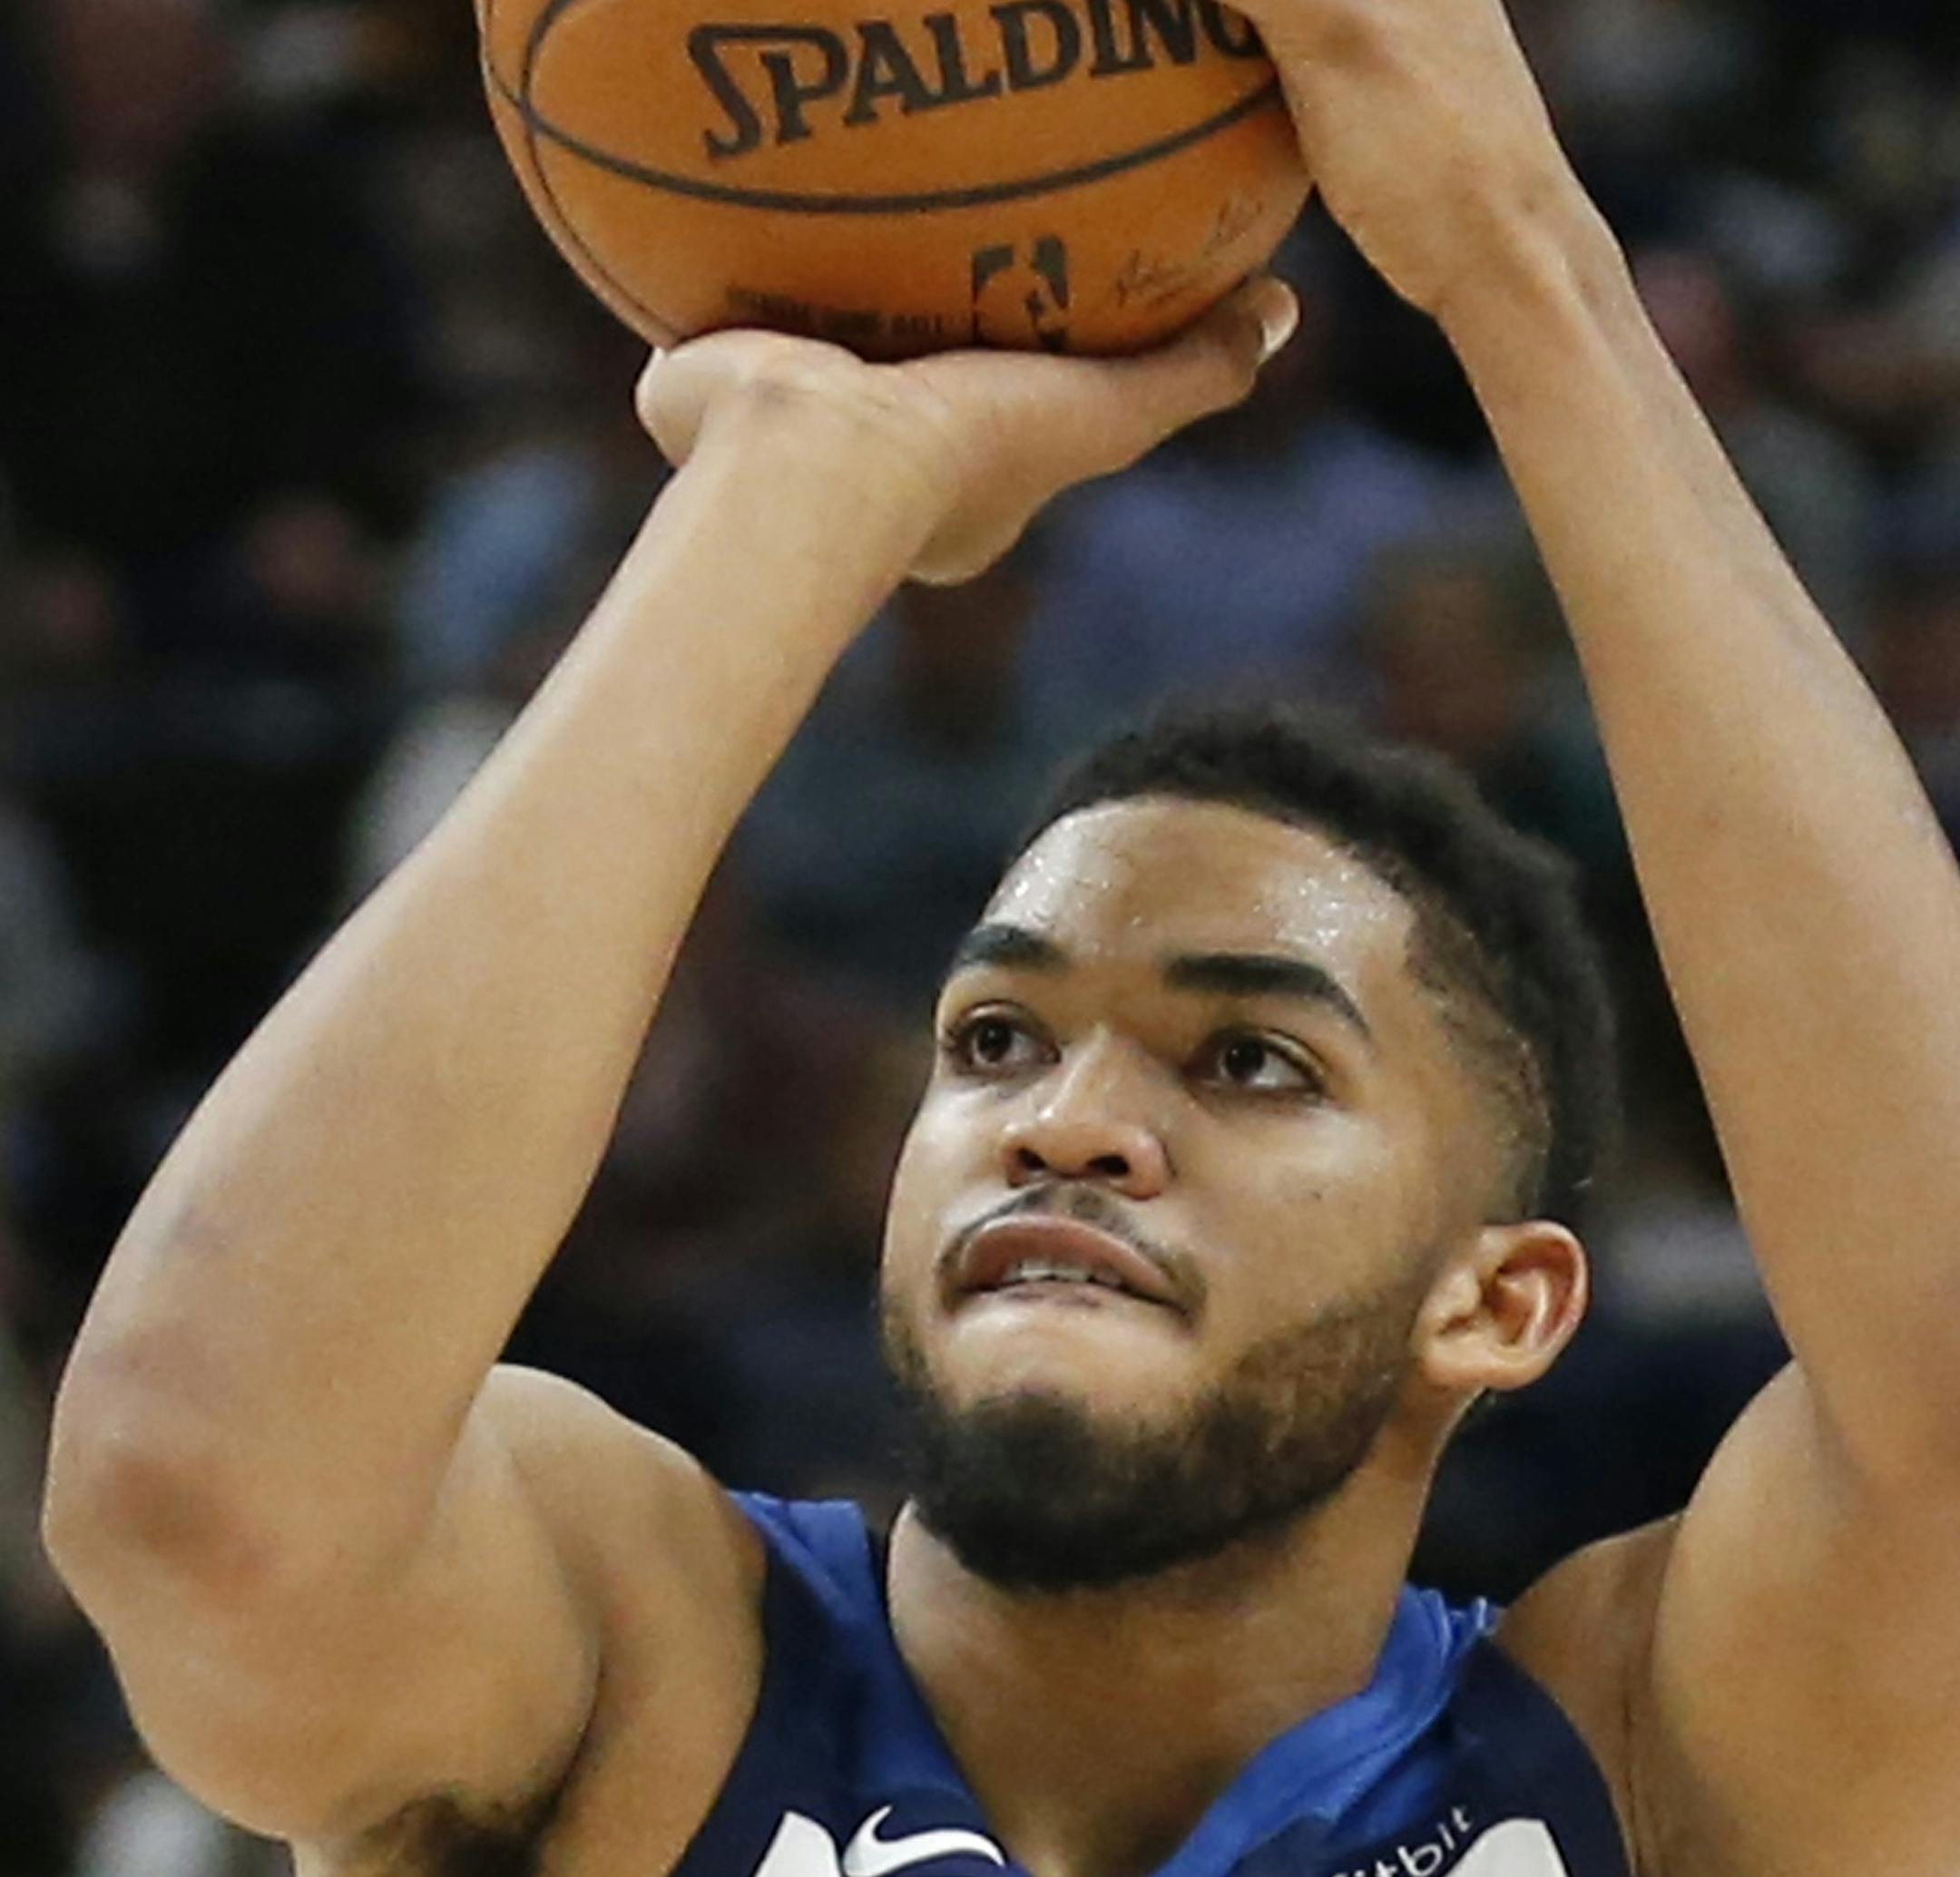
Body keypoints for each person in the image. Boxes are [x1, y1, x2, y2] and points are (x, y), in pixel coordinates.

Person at [39, 2, 1960, 1875]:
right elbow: (198, 1500)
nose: (1066, 1123)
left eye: (1252, 1062)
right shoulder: (637, 1674)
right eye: (993, 1042)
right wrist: (796, 487)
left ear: (1499, 1299)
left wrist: (1524, 267)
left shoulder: (1638, 1773)